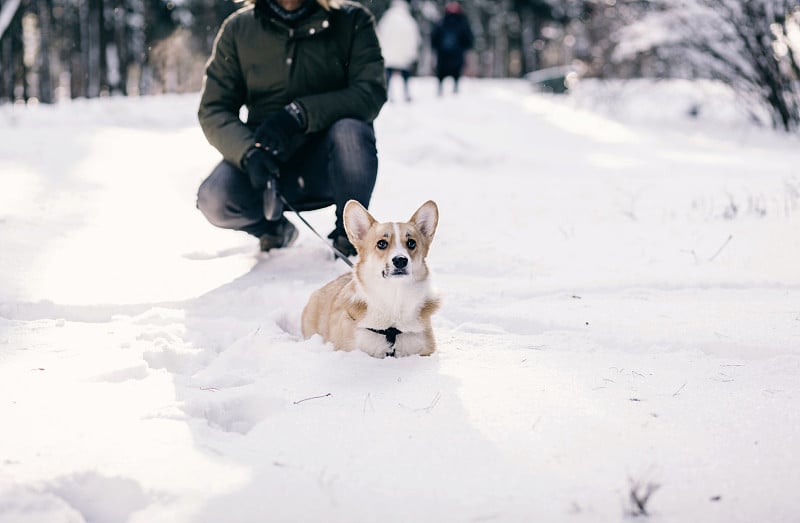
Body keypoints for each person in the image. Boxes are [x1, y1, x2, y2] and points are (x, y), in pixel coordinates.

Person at [196, 0, 387, 257]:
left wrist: (300, 114)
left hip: (330, 161)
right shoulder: (238, 28)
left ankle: (350, 238)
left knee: (352, 133)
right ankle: (273, 229)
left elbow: (369, 92)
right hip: (267, 163)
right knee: (214, 199)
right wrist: (247, 152)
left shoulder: (352, 21)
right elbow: (213, 109)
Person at [375, 0, 421, 102]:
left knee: (388, 76)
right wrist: (412, 53)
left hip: (389, 53)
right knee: (405, 75)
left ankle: (387, 94)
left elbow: (379, 35)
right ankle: (406, 94)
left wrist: (380, 51)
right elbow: (414, 38)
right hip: (403, 54)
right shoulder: (408, 20)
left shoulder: (386, 19)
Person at [430, 1, 473, 96]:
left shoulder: (443, 21)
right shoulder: (460, 22)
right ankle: (448, 88)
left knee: (447, 71)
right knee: (449, 71)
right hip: (451, 53)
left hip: (449, 53)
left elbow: (434, 36)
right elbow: (468, 37)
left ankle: (451, 88)